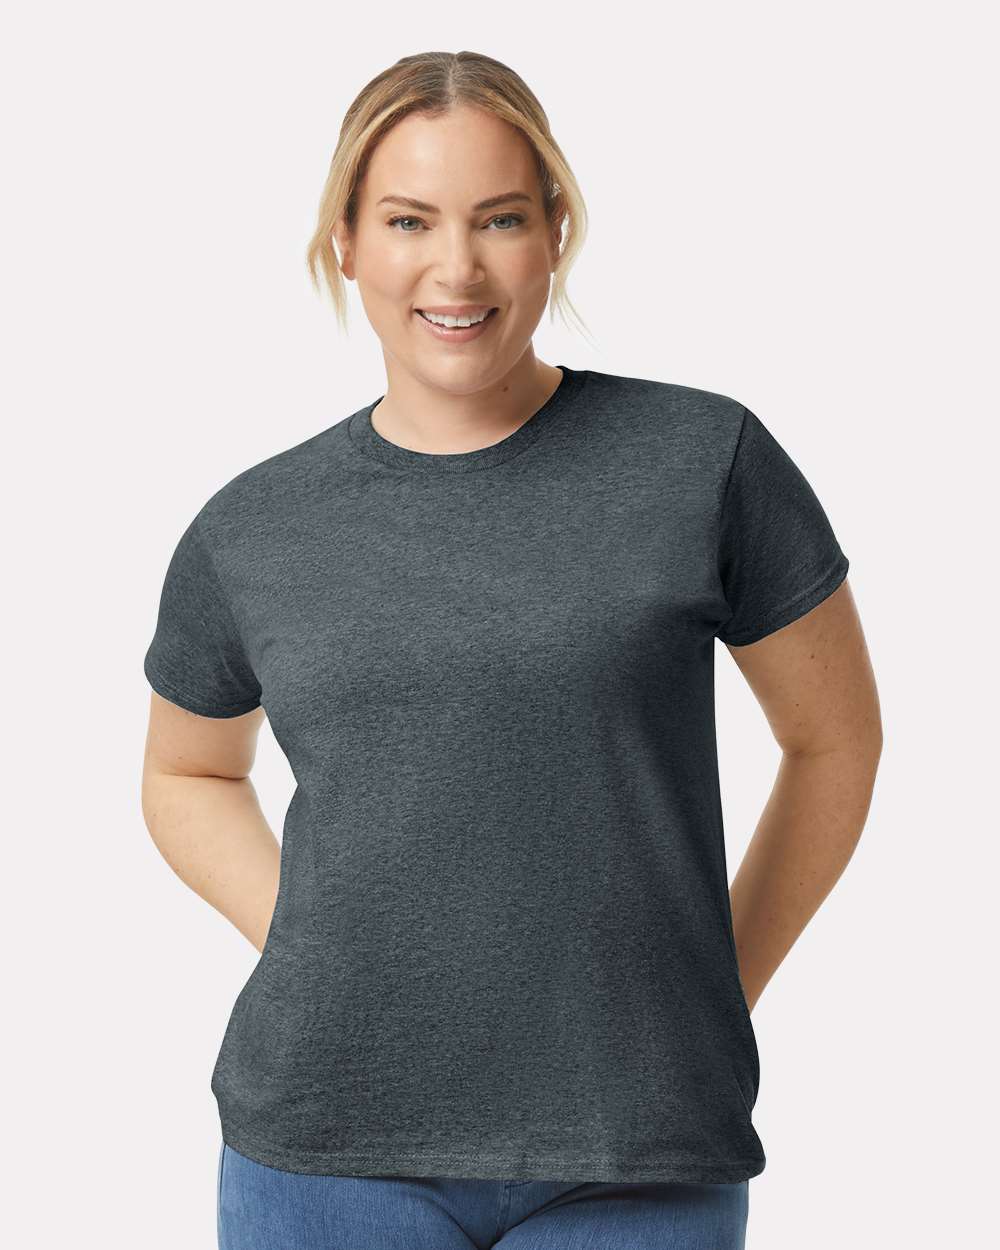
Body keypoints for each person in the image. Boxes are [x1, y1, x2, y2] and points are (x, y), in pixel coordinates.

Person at [141, 49, 882, 1250]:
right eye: (407, 220)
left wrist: (708, 986)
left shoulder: (701, 460)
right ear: (346, 242)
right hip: (324, 1149)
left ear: (554, 232)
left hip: (637, 1155)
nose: (456, 267)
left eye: (498, 218)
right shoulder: (254, 525)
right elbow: (186, 769)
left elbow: (835, 741)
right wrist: (328, 938)